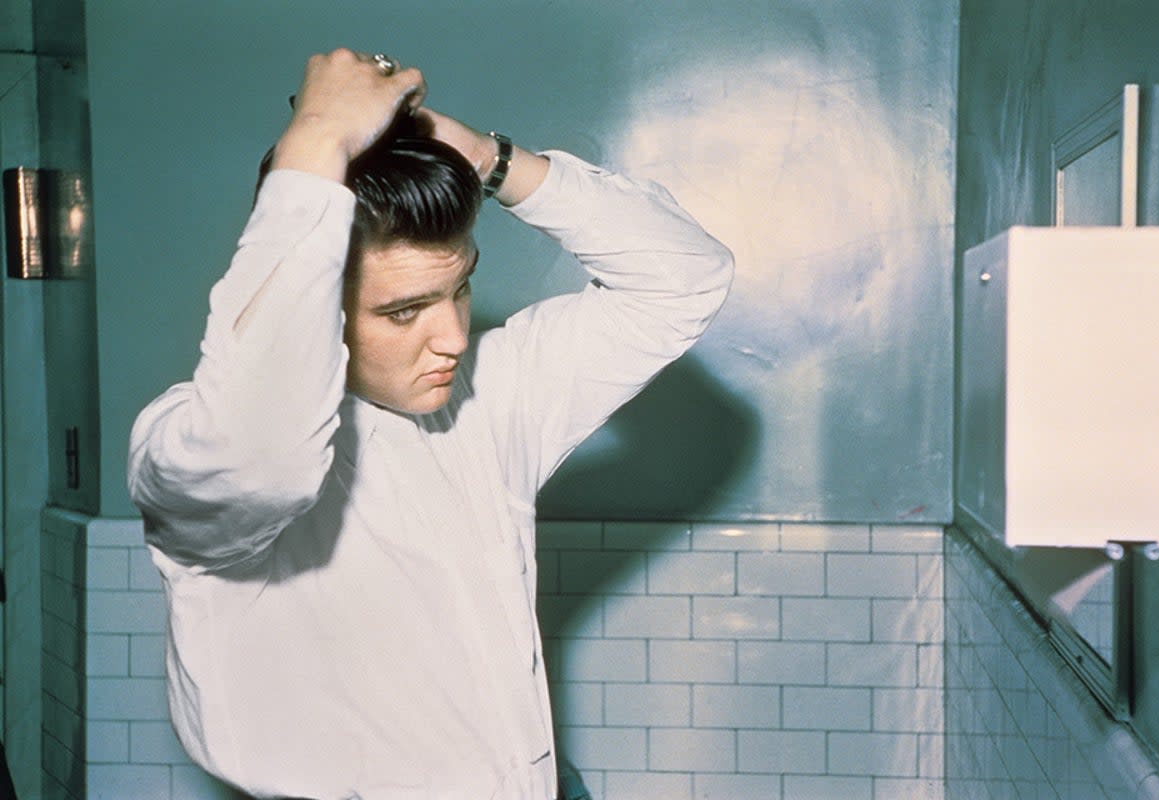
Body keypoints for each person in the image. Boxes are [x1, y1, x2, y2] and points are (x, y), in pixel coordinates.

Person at [128, 48, 733, 800]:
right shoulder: (190, 445)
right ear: (318, 307)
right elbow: (264, 455)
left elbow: (685, 279)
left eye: (460, 289)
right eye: (403, 310)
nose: (452, 334)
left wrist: (485, 157)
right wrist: (316, 140)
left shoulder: (489, 396)